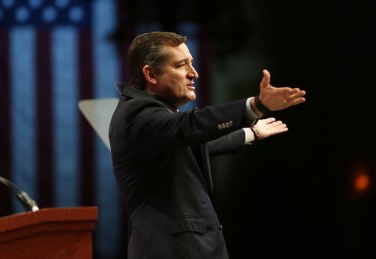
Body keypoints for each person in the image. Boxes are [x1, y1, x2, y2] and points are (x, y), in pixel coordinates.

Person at [109, 31, 306, 259]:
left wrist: (250, 132)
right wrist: (255, 106)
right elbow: (192, 125)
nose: (194, 73)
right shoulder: (139, 114)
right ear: (151, 74)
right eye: (182, 65)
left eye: (192, 63)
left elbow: (197, 144)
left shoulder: (154, 122)